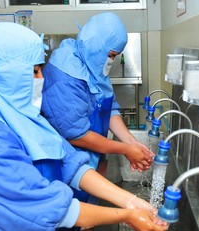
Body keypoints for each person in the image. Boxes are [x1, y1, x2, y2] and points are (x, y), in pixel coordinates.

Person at [0, 22, 167, 231]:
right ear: (7, 72)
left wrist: (131, 202)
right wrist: (127, 216)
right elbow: (44, 209)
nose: (42, 79)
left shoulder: (23, 115)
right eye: (34, 71)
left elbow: (70, 163)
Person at [41, 12, 154, 180]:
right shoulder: (64, 78)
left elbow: (109, 108)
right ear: (97, 46)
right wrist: (125, 149)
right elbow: (76, 135)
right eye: (111, 55)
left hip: (89, 162)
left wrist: (131, 143)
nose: (111, 61)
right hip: (67, 168)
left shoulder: (93, 63)